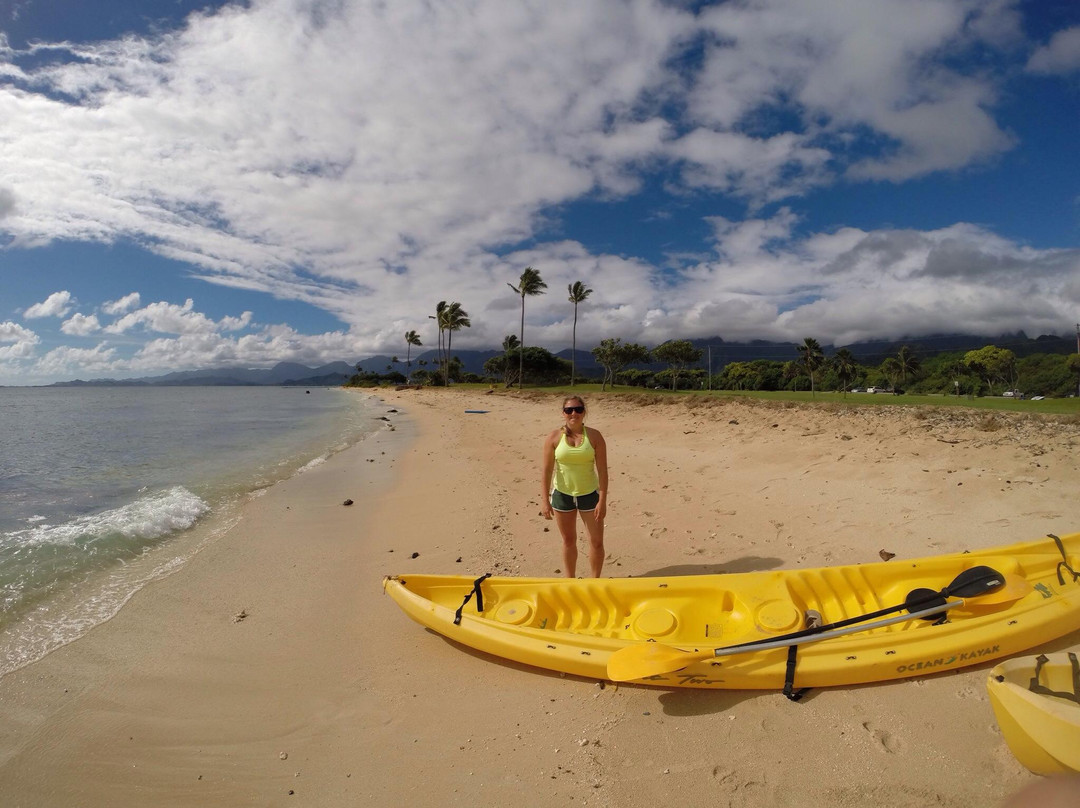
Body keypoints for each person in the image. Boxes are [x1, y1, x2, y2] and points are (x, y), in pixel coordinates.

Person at [540, 395, 608, 578]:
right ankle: (569, 581)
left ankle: (595, 581)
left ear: (584, 412)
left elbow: (602, 471)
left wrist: (602, 500)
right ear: (563, 413)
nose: (574, 413)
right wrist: (545, 501)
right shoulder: (554, 437)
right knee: (569, 540)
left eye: (578, 409)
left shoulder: (595, 436)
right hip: (562, 495)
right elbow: (546, 471)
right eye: (569, 410)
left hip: (589, 494)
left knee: (596, 542)